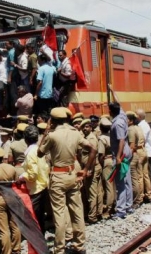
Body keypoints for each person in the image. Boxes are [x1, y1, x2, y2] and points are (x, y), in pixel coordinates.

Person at [38, 107, 97, 254]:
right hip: (73, 174)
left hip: (58, 176)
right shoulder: (75, 133)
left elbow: (39, 153)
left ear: (52, 120)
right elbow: (93, 149)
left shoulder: (52, 136)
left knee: (59, 213)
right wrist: (85, 169)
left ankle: (59, 248)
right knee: (77, 210)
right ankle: (79, 245)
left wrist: (45, 133)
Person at [0, 146, 21, 254]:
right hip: (12, 197)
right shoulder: (11, 168)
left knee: (3, 229)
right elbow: (17, 182)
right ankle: (16, 249)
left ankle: (6, 251)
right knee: (15, 225)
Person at [108, 84, 133, 219]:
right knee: (127, 179)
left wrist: (117, 157)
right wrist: (113, 90)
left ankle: (121, 210)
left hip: (121, 153)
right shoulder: (122, 115)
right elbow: (119, 103)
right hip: (127, 152)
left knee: (120, 182)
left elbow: (121, 140)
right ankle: (129, 206)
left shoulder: (117, 123)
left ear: (111, 112)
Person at [19, 125, 49, 234]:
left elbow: (32, 175)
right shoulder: (37, 149)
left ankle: (38, 240)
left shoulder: (30, 153)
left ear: (25, 139)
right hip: (42, 185)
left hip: (35, 188)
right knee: (40, 216)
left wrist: (21, 177)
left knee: (35, 217)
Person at [80, 119, 103, 224]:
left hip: (92, 168)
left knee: (92, 193)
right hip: (95, 167)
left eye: (87, 126)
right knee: (98, 191)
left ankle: (92, 217)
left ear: (91, 127)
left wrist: (90, 169)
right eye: (84, 127)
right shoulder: (88, 137)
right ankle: (98, 213)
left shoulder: (91, 139)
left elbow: (93, 155)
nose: (85, 128)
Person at [126, 111, 147, 208]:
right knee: (140, 177)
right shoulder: (138, 128)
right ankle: (140, 198)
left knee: (134, 179)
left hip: (134, 154)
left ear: (130, 121)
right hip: (141, 151)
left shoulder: (130, 129)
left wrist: (126, 157)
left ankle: (137, 200)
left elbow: (132, 145)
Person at [97, 117, 116, 216]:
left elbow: (101, 154)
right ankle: (115, 203)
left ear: (100, 127)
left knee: (108, 185)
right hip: (113, 160)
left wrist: (100, 165)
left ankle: (109, 207)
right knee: (113, 184)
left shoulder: (102, 139)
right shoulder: (111, 136)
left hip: (106, 162)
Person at [136, 108, 151, 202]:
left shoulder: (141, 126)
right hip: (147, 151)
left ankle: (143, 195)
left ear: (138, 116)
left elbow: (140, 140)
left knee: (141, 175)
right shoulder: (145, 124)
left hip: (143, 151)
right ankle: (149, 194)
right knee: (146, 174)